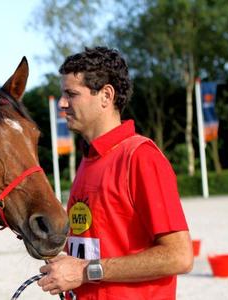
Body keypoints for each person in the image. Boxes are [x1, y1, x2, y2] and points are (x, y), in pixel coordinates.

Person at [37, 46, 193, 299]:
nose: (62, 104)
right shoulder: (90, 159)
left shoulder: (140, 157)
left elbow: (179, 256)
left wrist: (86, 271)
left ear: (106, 95)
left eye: (71, 94)